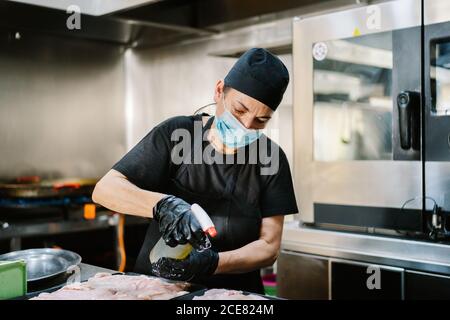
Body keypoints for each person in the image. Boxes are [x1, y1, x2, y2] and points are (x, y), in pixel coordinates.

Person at [92, 48, 298, 294]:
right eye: (240, 110)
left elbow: (269, 246)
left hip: (231, 295)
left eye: (260, 120)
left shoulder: (271, 159)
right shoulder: (177, 134)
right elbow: (105, 189)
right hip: (157, 287)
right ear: (219, 90)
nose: (246, 126)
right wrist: (163, 205)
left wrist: (213, 263)